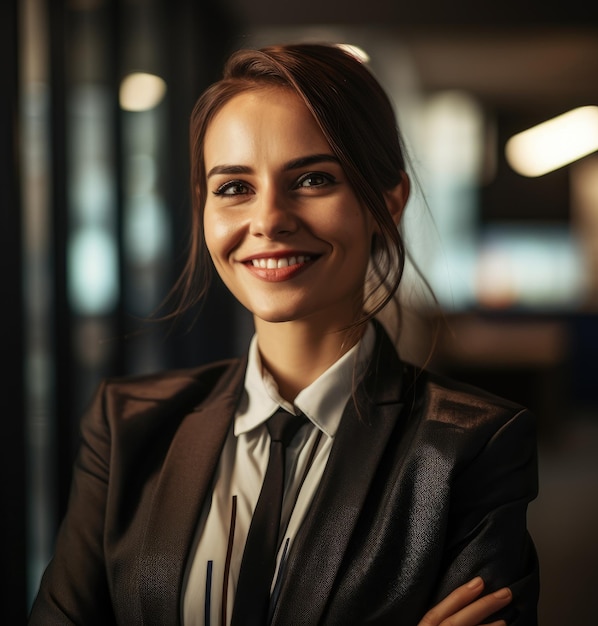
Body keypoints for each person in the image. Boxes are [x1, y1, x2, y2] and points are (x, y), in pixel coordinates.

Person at [28, 43, 539, 625]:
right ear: (204, 210)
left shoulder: (472, 446)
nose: (268, 219)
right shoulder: (128, 427)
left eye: (314, 179)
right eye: (233, 188)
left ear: (387, 203)